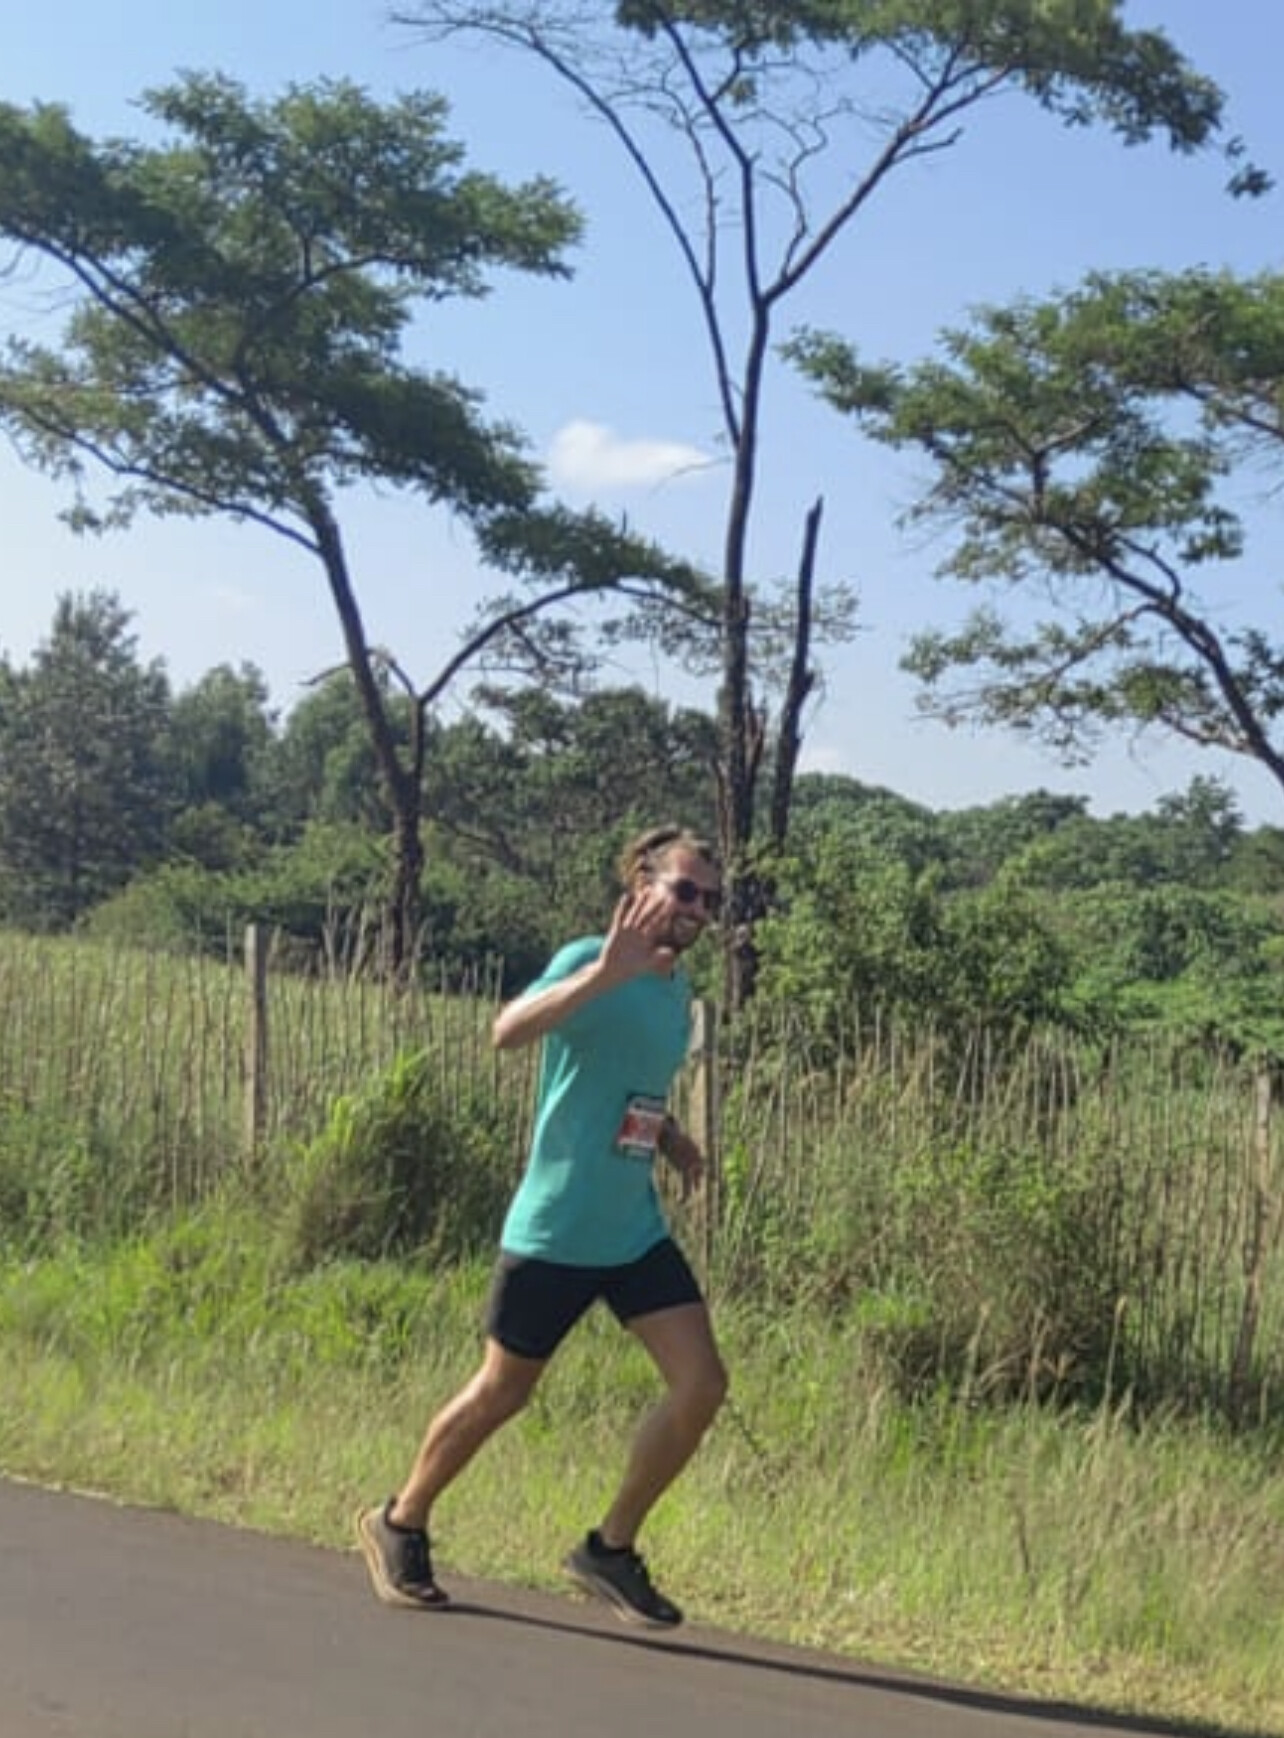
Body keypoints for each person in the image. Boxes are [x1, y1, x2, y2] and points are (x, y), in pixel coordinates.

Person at [356, 823, 728, 1629]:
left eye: (711, 898)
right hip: (558, 1227)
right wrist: (602, 974)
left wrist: (669, 1137)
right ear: (642, 884)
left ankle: (609, 1551)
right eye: (685, 890)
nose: (699, 908)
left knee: (702, 1385)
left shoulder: (675, 994)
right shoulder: (590, 957)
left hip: (631, 1230)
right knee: (503, 1391)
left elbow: (624, 1082)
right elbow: (507, 1032)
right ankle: (400, 1521)